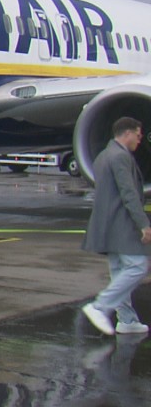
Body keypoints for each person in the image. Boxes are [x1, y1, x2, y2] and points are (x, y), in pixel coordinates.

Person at [81, 116, 151, 336]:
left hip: (106, 224)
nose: (140, 139)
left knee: (120, 271)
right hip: (121, 223)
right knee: (138, 266)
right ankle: (100, 307)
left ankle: (127, 320)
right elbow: (128, 193)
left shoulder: (103, 156)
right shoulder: (121, 157)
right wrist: (144, 224)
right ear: (127, 133)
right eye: (138, 135)